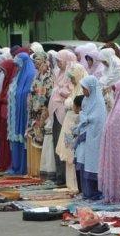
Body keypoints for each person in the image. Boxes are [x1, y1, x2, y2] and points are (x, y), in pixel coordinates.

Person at [55, 64, 87, 192]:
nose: (72, 80)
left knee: (74, 154)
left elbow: (81, 108)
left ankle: (76, 185)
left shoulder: (83, 89)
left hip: (75, 125)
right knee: (68, 152)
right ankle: (70, 184)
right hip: (69, 125)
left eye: (73, 78)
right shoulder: (75, 88)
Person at [48, 49, 77, 185]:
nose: (58, 63)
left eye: (60, 61)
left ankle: (67, 178)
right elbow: (56, 90)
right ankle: (60, 176)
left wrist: (58, 90)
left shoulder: (73, 74)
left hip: (67, 115)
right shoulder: (58, 73)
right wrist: (58, 90)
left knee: (67, 145)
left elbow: (69, 91)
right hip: (56, 112)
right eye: (57, 61)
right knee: (57, 144)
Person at [77, 76, 107, 200]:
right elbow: (83, 113)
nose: (83, 91)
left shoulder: (99, 102)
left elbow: (99, 120)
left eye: (85, 88)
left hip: (95, 138)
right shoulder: (85, 100)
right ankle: (86, 192)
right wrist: (84, 119)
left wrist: (87, 119)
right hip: (85, 136)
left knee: (93, 164)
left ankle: (95, 192)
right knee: (84, 161)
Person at [8, 53, 36, 175]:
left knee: (22, 137)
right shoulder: (18, 76)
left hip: (24, 112)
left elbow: (27, 93)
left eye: (18, 65)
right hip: (16, 112)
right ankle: (16, 165)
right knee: (16, 138)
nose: (17, 68)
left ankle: (23, 167)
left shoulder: (30, 74)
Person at [26, 52, 53, 178]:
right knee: (34, 137)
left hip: (44, 111)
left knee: (42, 140)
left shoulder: (49, 76)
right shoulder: (37, 75)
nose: (35, 64)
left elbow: (48, 95)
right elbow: (33, 91)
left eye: (37, 61)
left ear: (43, 61)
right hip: (34, 112)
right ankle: (34, 170)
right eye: (35, 62)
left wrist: (40, 106)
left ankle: (42, 171)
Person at [0, 59, 18, 171]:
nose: (4, 73)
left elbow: (9, 97)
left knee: (7, 141)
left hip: (8, 114)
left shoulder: (13, 80)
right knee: (3, 141)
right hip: (3, 114)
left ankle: (7, 162)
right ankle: (3, 162)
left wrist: (1, 98)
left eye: (5, 71)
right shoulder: (6, 80)